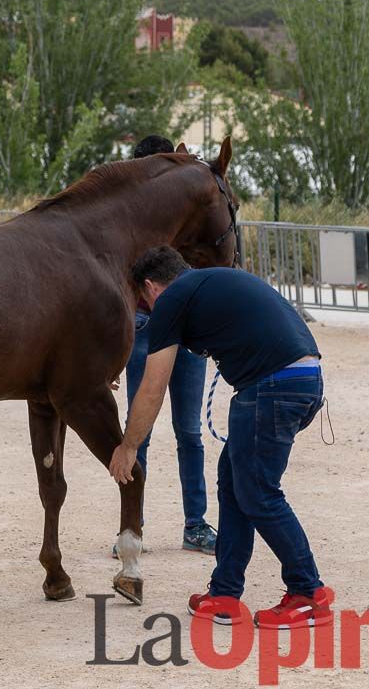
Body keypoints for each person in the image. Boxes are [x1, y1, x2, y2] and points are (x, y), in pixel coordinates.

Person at [109, 247, 332, 629]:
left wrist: (128, 446)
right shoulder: (209, 282)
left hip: (271, 386)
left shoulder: (172, 299)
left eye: (143, 302)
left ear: (150, 286)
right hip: (299, 379)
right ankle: (225, 593)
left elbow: (152, 385)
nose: (146, 311)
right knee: (234, 484)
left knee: (258, 491)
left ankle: (308, 592)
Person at [113, 134, 216, 558]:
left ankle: (193, 524)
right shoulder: (127, 218)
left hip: (178, 326)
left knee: (188, 432)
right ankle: (134, 525)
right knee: (144, 430)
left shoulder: (183, 213)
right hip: (144, 322)